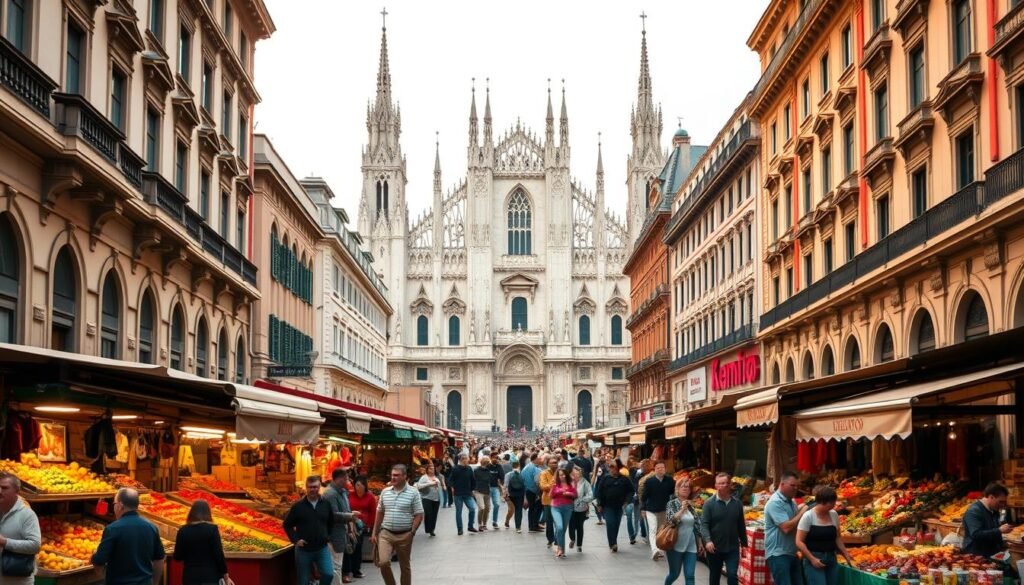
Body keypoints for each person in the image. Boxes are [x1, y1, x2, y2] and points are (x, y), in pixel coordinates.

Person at [92, 487, 166, 585]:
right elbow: (160, 559)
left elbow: (99, 561)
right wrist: (155, 582)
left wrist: (95, 559)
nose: (113, 508)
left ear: (120, 505)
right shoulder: (151, 527)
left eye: (114, 504)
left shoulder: (113, 529)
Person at [371, 465, 424, 585]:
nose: (393, 478)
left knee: (404, 566)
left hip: (405, 534)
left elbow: (419, 514)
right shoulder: (385, 492)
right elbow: (379, 512)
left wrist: (412, 532)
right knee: (383, 562)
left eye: (396, 475)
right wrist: (375, 532)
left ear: (405, 476)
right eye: (392, 475)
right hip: (386, 533)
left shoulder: (413, 492)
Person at [795, 486, 855, 585]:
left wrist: (847, 556)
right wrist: (812, 559)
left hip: (831, 558)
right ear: (823, 502)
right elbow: (799, 541)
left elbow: (837, 538)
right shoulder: (808, 516)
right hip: (814, 558)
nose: (834, 505)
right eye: (832, 503)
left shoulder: (834, 515)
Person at [283, 475, 334, 585]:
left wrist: (327, 536)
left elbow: (331, 522)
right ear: (306, 488)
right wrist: (296, 540)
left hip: (322, 548)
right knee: (303, 581)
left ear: (319, 487)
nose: (313, 490)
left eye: (315, 487)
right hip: (303, 550)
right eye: (310, 487)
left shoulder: (326, 504)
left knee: (328, 574)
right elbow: (287, 525)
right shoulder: (298, 506)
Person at [699, 473, 748, 585]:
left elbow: (741, 525)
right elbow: (704, 524)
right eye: (719, 484)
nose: (722, 486)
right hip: (714, 548)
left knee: (732, 574)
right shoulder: (709, 504)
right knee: (715, 576)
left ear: (730, 485)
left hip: (732, 547)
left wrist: (744, 544)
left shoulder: (737, 504)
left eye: (724, 483)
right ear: (715, 485)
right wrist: (707, 541)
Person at [764, 471, 809, 585]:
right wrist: (802, 512)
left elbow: (793, 521)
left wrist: (799, 510)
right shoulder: (775, 502)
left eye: (797, 486)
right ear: (782, 484)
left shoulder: (791, 502)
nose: (795, 488)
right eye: (792, 485)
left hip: (791, 552)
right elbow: (786, 528)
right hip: (778, 554)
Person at [173, 500, 232, 585]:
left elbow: (178, 557)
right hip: (210, 577)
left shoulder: (183, 530)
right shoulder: (212, 529)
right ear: (208, 513)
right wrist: (226, 576)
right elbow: (219, 555)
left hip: (190, 577)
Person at [0, 472, 40, 584]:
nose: (0, 491)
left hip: (17, 581)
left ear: (17, 491)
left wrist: (5, 542)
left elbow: (35, 546)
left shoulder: (27, 515)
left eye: (4, 488)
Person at [323, 468, 360, 584]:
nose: (347, 481)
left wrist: (350, 519)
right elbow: (333, 515)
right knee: (335, 566)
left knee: (338, 565)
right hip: (334, 535)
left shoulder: (342, 492)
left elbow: (344, 510)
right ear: (339, 479)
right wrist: (350, 516)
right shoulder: (330, 494)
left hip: (340, 533)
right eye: (346, 479)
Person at [664, 478, 704, 585]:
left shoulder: (692, 506)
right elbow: (671, 521)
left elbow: (696, 525)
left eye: (688, 487)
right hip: (675, 544)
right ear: (677, 489)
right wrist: (682, 509)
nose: (686, 488)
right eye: (683, 486)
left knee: (690, 576)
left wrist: (699, 542)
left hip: (691, 545)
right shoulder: (671, 504)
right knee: (674, 574)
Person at [962, 482, 1013, 557]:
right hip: (976, 556)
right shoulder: (974, 511)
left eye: (1004, 502)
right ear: (991, 497)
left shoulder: (994, 510)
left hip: (991, 554)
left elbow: (992, 530)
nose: (1002, 505)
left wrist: (1002, 543)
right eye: (1000, 502)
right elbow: (976, 534)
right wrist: (999, 530)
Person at [595, 458, 634, 552]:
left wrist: (627, 501)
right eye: (610, 467)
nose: (612, 469)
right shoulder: (605, 478)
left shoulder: (625, 479)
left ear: (618, 468)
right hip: (607, 506)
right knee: (610, 523)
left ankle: (614, 541)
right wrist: (599, 504)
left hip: (619, 506)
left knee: (616, 524)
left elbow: (631, 491)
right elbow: (598, 491)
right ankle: (612, 544)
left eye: (614, 467)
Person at [642, 461, 675, 561]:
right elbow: (644, 496)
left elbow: (673, 494)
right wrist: (642, 508)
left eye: (662, 468)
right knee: (652, 529)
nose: (660, 470)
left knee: (660, 531)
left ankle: (660, 549)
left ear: (665, 469)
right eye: (658, 468)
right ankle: (654, 550)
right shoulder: (649, 481)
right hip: (650, 509)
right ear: (654, 469)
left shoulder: (670, 481)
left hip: (664, 510)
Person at [346, 477, 377, 579]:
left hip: (362, 525)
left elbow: (373, 512)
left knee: (358, 546)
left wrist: (369, 525)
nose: (357, 487)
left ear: (364, 485)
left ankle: (356, 570)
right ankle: (348, 570)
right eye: (356, 485)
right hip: (350, 523)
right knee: (349, 546)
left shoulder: (370, 496)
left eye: (360, 485)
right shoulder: (349, 495)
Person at [549, 467, 577, 559]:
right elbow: (550, 495)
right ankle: (560, 548)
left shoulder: (571, 483)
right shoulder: (555, 484)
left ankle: (561, 550)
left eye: (564, 474)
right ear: (557, 476)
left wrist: (569, 494)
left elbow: (575, 495)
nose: (563, 476)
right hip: (556, 507)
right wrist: (558, 490)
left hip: (568, 508)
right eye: (560, 475)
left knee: (563, 529)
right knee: (560, 527)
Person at [449, 453, 478, 535]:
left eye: (467, 458)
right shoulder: (455, 469)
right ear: (461, 460)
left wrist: (473, 490)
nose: (467, 460)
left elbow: (473, 480)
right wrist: (452, 488)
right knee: (459, 512)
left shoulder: (469, 469)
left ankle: (470, 526)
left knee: (472, 508)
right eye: (465, 459)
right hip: (458, 494)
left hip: (467, 493)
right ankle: (460, 529)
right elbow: (450, 480)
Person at [568, 464, 594, 552]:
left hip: (581, 508)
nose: (574, 475)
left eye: (576, 473)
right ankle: (572, 539)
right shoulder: (569, 482)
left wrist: (582, 500)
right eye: (573, 473)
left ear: (580, 473)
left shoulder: (585, 483)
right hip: (570, 507)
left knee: (579, 526)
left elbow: (591, 495)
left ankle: (579, 545)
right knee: (571, 524)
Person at [414, 463, 442, 537]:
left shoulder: (436, 477)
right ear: (427, 470)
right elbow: (419, 486)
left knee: (434, 514)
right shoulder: (424, 477)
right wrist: (429, 484)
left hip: (436, 498)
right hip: (426, 498)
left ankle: (432, 529)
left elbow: (439, 487)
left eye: (433, 468)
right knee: (428, 513)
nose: (432, 470)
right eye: (430, 468)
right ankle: (428, 529)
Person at [538, 455, 559, 547]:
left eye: (556, 462)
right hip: (548, 501)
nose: (555, 464)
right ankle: (550, 539)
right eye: (553, 463)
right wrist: (554, 479)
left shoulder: (561, 473)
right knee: (549, 521)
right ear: (548, 464)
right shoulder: (544, 473)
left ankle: (558, 539)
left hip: (559, 501)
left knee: (558, 522)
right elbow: (543, 487)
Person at [521, 453, 543, 532]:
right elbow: (537, 481)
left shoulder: (526, 467)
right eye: (539, 458)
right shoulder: (535, 468)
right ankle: (533, 525)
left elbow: (522, 478)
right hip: (533, 490)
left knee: (532, 508)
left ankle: (533, 525)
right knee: (535, 508)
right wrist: (540, 490)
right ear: (535, 459)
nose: (540, 460)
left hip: (528, 490)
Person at [504, 460, 527, 533]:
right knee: (518, 510)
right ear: (519, 466)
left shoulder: (508, 474)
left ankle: (507, 521)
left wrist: (506, 495)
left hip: (510, 494)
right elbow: (524, 485)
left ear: (512, 466)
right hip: (519, 495)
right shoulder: (522, 474)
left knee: (510, 510)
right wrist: (525, 497)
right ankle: (518, 527)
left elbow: (506, 485)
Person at [472, 456, 493, 531]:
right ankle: (480, 524)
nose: (487, 464)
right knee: (481, 508)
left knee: (487, 509)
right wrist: (472, 490)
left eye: (487, 462)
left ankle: (484, 524)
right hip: (478, 491)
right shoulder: (476, 470)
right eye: (486, 462)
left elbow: (491, 479)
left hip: (487, 491)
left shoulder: (489, 470)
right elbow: (473, 480)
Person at [486, 456, 504, 528]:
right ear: (491, 459)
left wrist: (499, 467)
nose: (495, 459)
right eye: (494, 457)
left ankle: (494, 521)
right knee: (486, 507)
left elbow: (502, 477)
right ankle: (484, 523)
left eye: (497, 458)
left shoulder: (499, 467)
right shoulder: (487, 466)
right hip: (486, 488)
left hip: (495, 487)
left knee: (496, 504)